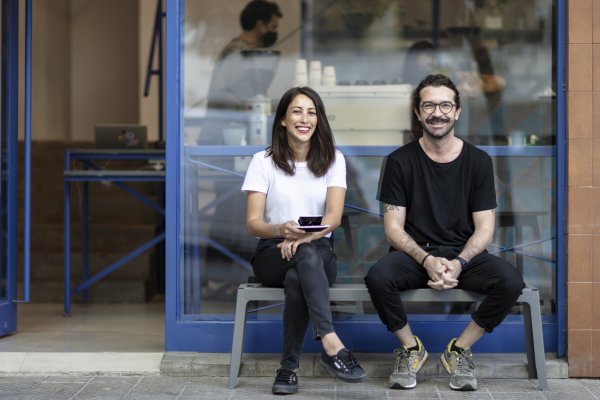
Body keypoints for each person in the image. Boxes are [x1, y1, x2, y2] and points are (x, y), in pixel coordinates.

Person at [364, 74, 524, 392]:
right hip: (416, 255)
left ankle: (459, 350)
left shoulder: (478, 161)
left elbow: (485, 228)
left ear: (458, 111)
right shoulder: (399, 162)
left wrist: (459, 262)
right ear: (418, 112)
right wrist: (426, 260)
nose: (438, 113)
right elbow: (393, 229)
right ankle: (411, 349)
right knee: (378, 277)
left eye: (445, 105)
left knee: (511, 281)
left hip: (464, 254)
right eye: (429, 105)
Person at [241, 87, 368, 395]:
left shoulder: (333, 160)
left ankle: (288, 369)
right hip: (273, 252)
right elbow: (253, 224)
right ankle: (330, 342)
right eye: (297, 111)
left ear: (319, 119)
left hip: (319, 249)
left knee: (302, 269)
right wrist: (282, 231)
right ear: (283, 119)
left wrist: (304, 239)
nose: (305, 118)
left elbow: (334, 217)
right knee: (302, 261)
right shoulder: (263, 161)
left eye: (312, 112)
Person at [200, 0, 283, 300]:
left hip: (237, 138)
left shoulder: (249, 54)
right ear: (260, 24)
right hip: (223, 139)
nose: (275, 30)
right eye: (273, 23)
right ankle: (213, 279)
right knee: (227, 209)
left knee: (236, 211)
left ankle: (225, 277)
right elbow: (227, 96)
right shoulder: (237, 54)